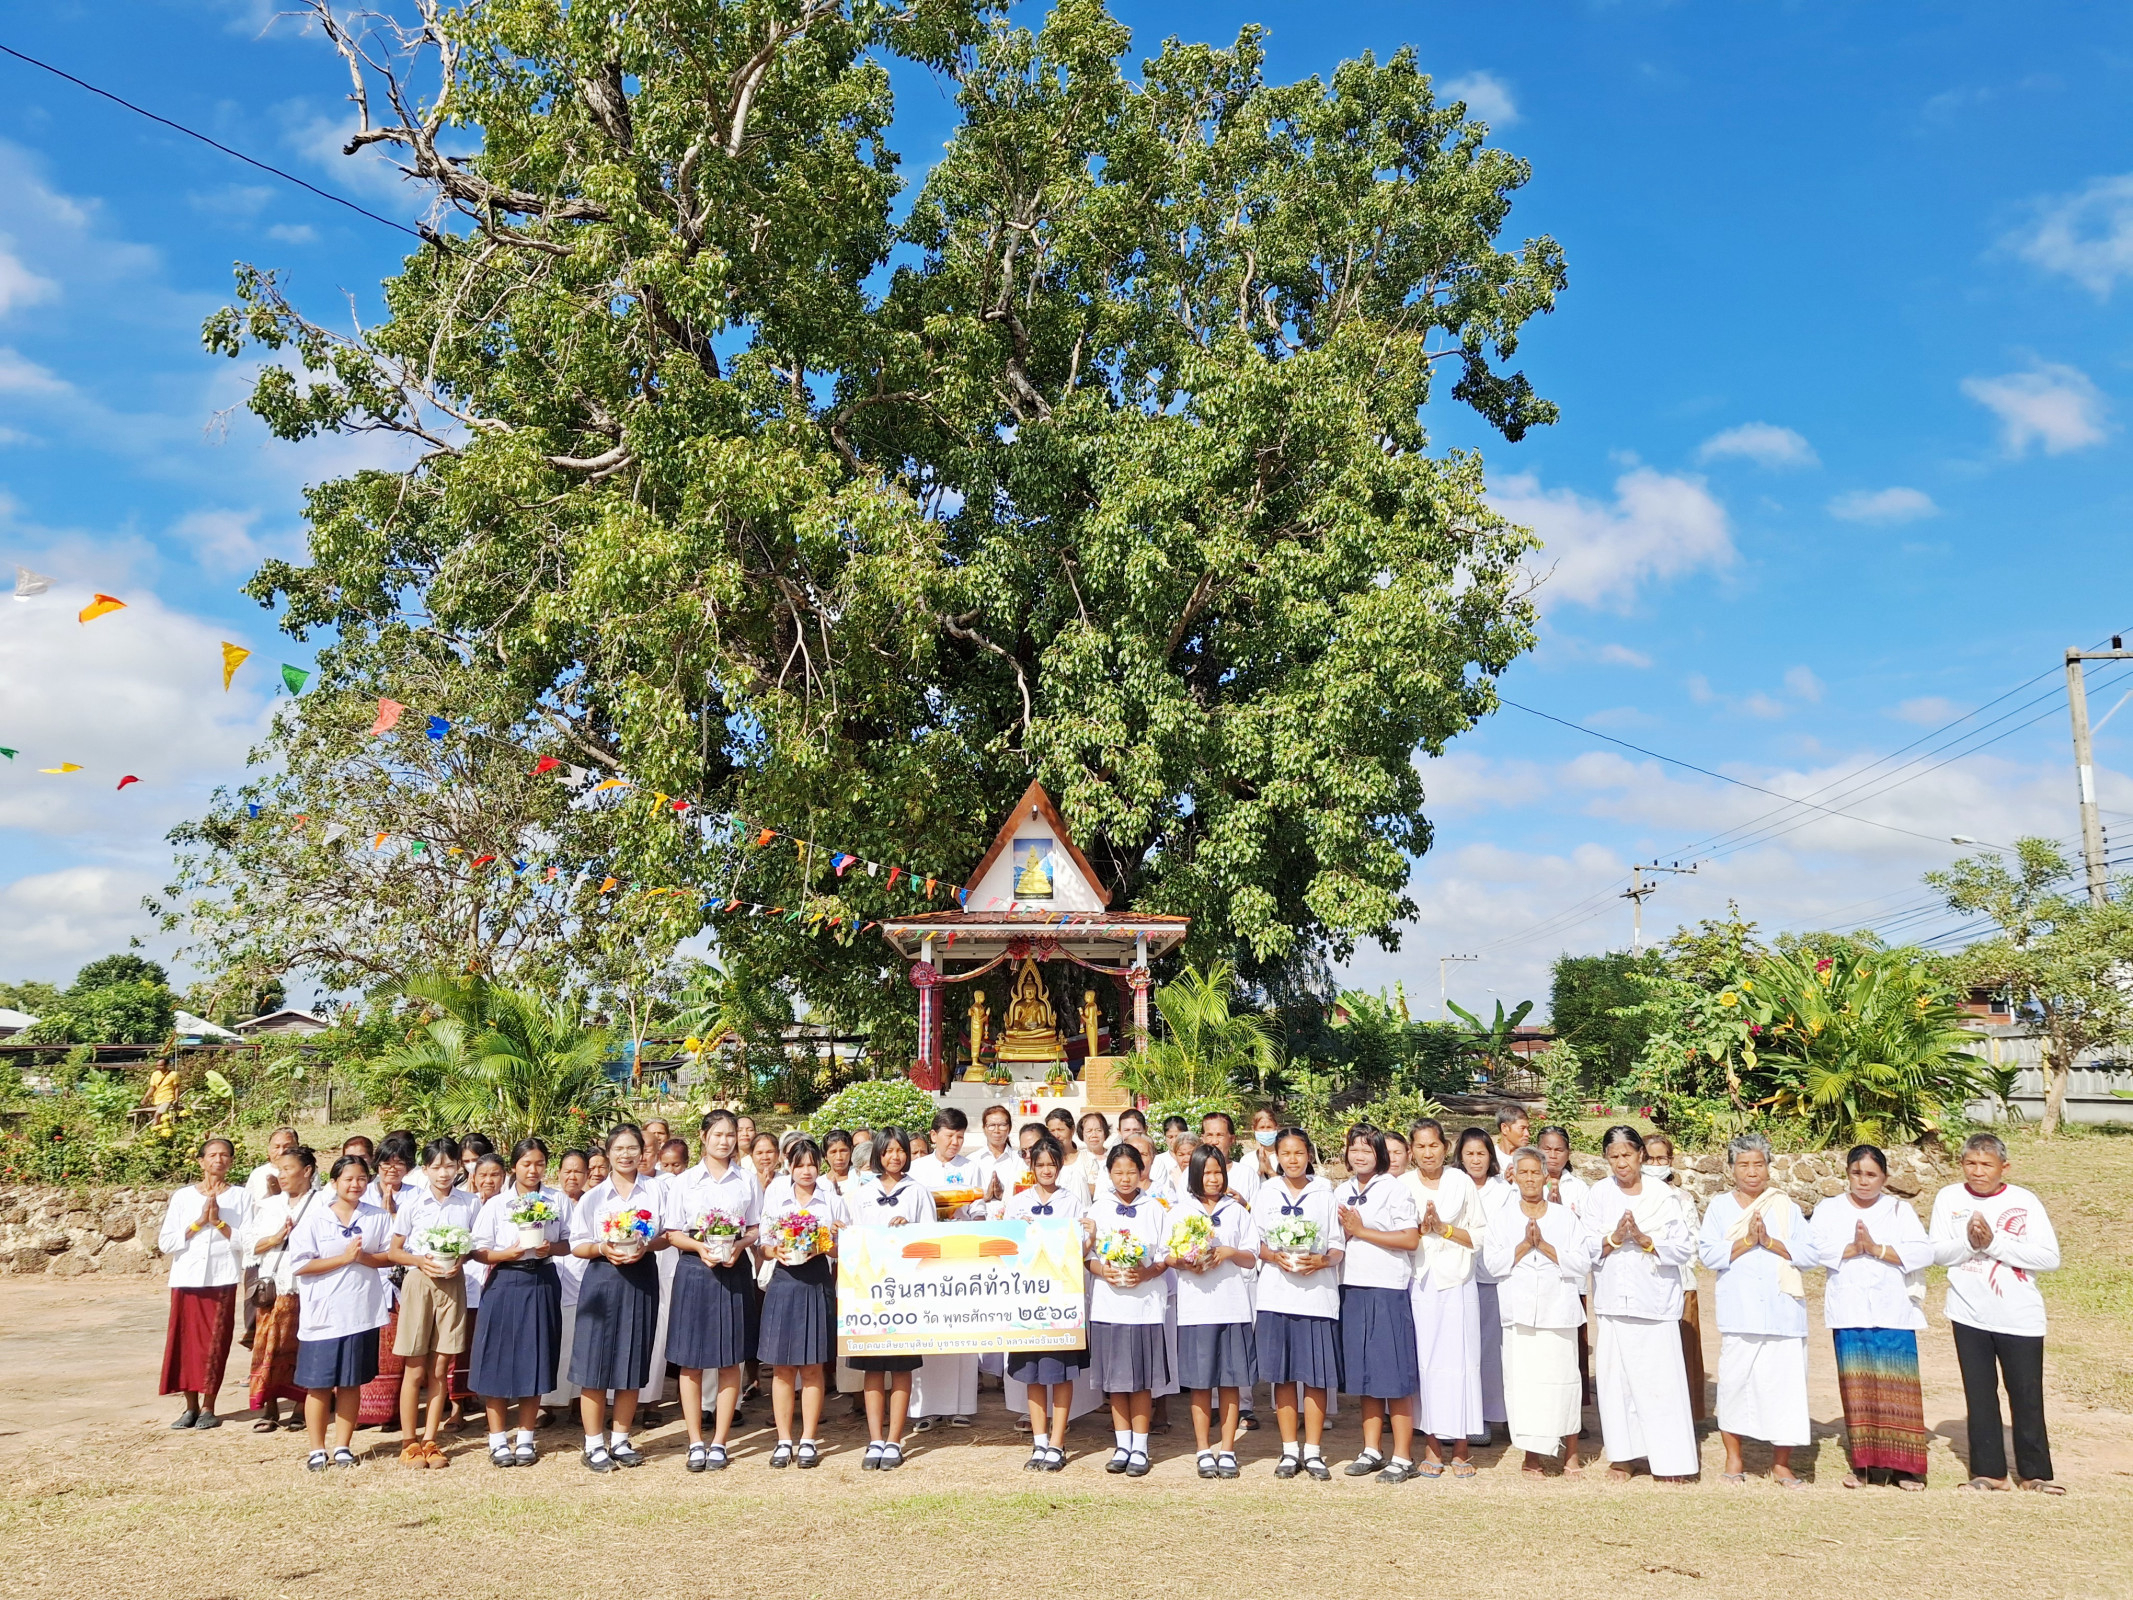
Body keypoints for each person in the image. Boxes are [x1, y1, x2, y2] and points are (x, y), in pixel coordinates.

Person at [1931, 1132, 2064, 1494]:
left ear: (2004, 1167)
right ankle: (1990, 1473)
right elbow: (1938, 1252)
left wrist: (1994, 1243)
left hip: (2018, 1315)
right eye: (1970, 1163)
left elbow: (2050, 1258)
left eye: (1986, 1165)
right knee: (1979, 1393)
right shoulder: (1949, 1198)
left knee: (2025, 1394)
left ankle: (2035, 1474)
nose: (1977, 1172)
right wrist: (1968, 1243)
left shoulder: (2025, 1201)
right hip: (1968, 1313)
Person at [1809, 1143, 1935, 1490]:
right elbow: (1810, 1248)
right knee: (1858, 1388)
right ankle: (1863, 1465)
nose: (1863, 1181)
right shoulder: (1829, 1209)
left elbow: (1924, 1251)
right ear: (1847, 1173)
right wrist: (1850, 1249)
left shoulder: (1898, 1210)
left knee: (1898, 1389)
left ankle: (1905, 1468)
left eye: (1871, 1174)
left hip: (1894, 1311)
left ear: (1884, 1177)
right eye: (1856, 1173)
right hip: (1849, 1311)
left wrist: (1878, 1249)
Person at [1579, 1124, 1698, 1483]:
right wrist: (1613, 1238)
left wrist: (1646, 1240)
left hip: (1654, 1302)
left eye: (1627, 1155)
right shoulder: (1598, 1194)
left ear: (1641, 1155)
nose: (1621, 1163)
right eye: (1613, 1157)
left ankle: (1670, 1461)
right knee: (1618, 1385)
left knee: (1661, 1384)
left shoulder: (1663, 1195)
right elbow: (1583, 1247)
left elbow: (1683, 1248)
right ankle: (1624, 1457)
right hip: (1615, 1302)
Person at [1697, 1132, 1809, 1487]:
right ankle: (1734, 1459)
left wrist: (1772, 1242)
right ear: (1731, 1169)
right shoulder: (1720, 1208)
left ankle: (1782, 1465)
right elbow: (1708, 1254)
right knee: (1734, 1387)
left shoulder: (1786, 1207)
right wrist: (1747, 1242)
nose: (1751, 1172)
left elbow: (1810, 1254)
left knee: (1786, 1390)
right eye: (1743, 1164)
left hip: (1783, 1313)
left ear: (1768, 1168)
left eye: (1758, 1164)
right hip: (1740, 1313)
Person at [568, 1123, 672, 1472]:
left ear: (643, 1152)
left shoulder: (656, 1190)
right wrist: (602, 1248)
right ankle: (594, 1444)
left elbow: (668, 1234)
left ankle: (622, 1439)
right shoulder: (593, 1197)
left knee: (632, 1357)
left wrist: (646, 1245)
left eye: (633, 1149)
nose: (626, 1155)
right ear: (608, 1154)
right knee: (594, 1360)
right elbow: (576, 1244)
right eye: (619, 1149)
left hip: (641, 1277)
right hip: (602, 1279)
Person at [1485, 1146, 1593, 1477]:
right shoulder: (1502, 1218)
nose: (1530, 1178)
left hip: (1558, 1312)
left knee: (1564, 1382)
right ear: (1513, 1176)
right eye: (1524, 1172)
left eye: (1536, 1172)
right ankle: (1531, 1456)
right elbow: (1491, 1265)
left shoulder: (1565, 1218)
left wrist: (1545, 1247)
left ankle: (1570, 1454)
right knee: (1526, 1386)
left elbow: (1583, 1263)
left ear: (1547, 1176)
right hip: (1519, 1315)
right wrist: (1522, 1247)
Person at [665, 1109, 762, 1472]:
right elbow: (672, 1232)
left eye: (731, 1134)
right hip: (694, 1271)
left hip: (734, 1270)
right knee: (691, 1361)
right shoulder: (684, 1182)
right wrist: (699, 1248)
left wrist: (739, 1246)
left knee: (729, 1358)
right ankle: (694, 1441)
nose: (725, 1141)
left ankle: (720, 1441)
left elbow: (755, 1228)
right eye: (718, 1134)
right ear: (703, 1136)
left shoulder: (747, 1180)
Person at [469, 1138, 570, 1467]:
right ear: (514, 1166)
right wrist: (507, 1253)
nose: (533, 1169)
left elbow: (569, 1242)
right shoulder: (497, 1204)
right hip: (505, 1280)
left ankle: (526, 1436)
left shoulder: (556, 1200)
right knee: (497, 1357)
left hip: (542, 1279)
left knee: (536, 1356)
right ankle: (498, 1439)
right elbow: (478, 1250)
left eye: (540, 1163)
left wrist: (549, 1249)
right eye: (527, 1163)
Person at [288, 1154, 393, 1470]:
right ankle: (317, 1448)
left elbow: (390, 1255)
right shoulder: (315, 1219)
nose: (355, 1184)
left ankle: (343, 1446)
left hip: (361, 1310)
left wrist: (366, 1260)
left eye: (361, 1178)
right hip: (324, 1314)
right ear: (334, 1183)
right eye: (348, 1179)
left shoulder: (377, 1216)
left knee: (351, 1381)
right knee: (319, 1384)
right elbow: (301, 1265)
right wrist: (345, 1259)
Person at [1251, 1128, 1343, 1480]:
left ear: (1308, 1155)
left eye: (1299, 1153)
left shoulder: (1324, 1192)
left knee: (1316, 1376)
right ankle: (1289, 1451)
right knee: (1284, 1376)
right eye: (1286, 1153)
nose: (1292, 1159)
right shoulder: (1267, 1192)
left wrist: (1320, 1261)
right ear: (1277, 1156)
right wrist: (1275, 1257)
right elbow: (1255, 1242)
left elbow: (1336, 1246)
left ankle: (1314, 1452)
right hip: (1277, 1294)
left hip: (1316, 1296)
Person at [386, 1137, 481, 1468]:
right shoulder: (413, 1203)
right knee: (414, 1365)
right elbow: (394, 1250)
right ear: (424, 1169)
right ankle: (408, 1441)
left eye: (450, 1165)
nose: (443, 1173)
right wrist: (418, 1261)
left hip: (453, 1285)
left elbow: (473, 1246)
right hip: (418, 1284)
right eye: (436, 1166)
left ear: (459, 1167)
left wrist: (462, 1259)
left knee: (441, 1365)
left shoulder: (470, 1203)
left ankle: (431, 1440)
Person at [1333, 1126, 1421, 1482]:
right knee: (1365, 1375)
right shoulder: (1341, 1190)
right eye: (1353, 1148)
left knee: (1393, 1374)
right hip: (1351, 1287)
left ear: (1381, 1154)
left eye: (1367, 1149)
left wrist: (1361, 1229)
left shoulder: (1395, 1190)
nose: (1359, 1155)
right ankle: (1371, 1449)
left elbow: (1410, 1239)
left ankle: (1403, 1456)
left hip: (1386, 1289)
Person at [757, 1137, 846, 1468]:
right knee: (782, 1367)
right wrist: (774, 1251)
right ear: (789, 1166)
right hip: (784, 1282)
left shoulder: (831, 1200)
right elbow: (764, 1244)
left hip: (816, 1281)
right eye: (800, 1165)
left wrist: (826, 1243)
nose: (807, 1171)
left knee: (812, 1366)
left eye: (812, 1164)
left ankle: (808, 1438)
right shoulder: (777, 1197)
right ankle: (783, 1440)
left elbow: (843, 1247)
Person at [1401, 1117, 1483, 1475]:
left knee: (1462, 1362)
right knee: (1427, 1363)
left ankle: (1461, 1448)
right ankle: (1432, 1446)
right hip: (1419, 1282)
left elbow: (1479, 1236)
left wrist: (1443, 1228)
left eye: (1433, 1145)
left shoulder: (1461, 1182)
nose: (1427, 1152)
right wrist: (1420, 1230)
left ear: (1445, 1148)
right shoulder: (1402, 1185)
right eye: (1420, 1146)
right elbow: (1398, 1237)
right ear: (1410, 1151)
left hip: (1458, 1283)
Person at [1085, 1142, 1172, 1478]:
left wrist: (1146, 1272)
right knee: (1116, 1380)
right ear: (1109, 1174)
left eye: (1131, 1172)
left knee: (1140, 1380)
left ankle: (1141, 1446)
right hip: (1109, 1306)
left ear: (1142, 1172)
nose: (1125, 1178)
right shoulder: (1097, 1209)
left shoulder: (1155, 1208)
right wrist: (1102, 1271)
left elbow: (1165, 1256)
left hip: (1144, 1307)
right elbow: (1086, 1254)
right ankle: (1121, 1444)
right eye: (1118, 1172)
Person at [157, 1136, 253, 1431]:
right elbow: (166, 1242)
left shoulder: (240, 1197)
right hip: (187, 1277)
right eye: (212, 1155)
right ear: (201, 1161)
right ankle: (190, 1407)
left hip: (221, 1278)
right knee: (185, 1343)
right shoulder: (183, 1197)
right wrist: (199, 1222)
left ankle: (209, 1407)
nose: (218, 1160)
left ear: (231, 1162)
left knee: (215, 1343)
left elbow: (247, 1241)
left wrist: (220, 1223)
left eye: (225, 1155)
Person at [1174, 1144, 1258, 1480]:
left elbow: (1252, 1256)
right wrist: (1187, 1262)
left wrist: (1229, 1251)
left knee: (1230, 1381)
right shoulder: (1180, 1211)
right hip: (1196, 1308)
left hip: (1232, 1306)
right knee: (1200, 1383)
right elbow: (1168, 1256)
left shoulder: (1237, 1211)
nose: (1213, 1178)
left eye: (1218, 1172)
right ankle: (1202, 1449)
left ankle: (1227, 1449)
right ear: (1194, 1174)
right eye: (1206, 1172)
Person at [1003, 1133, 1086, 1471]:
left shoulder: (1072, 1202)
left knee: (1060, 1372)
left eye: (1052, 1164)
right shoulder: (1018, 1203)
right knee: (1032, 1373)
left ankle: (1058, 1442)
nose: (1047, 1170)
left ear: (1061, 1165)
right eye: (1040, 1165)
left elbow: (1082, 1244)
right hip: (1027, 1300)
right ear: (1030, 1166)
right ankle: (1038, 1442)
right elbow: (1006, 1249)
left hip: (1061, 1299)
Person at [849, 1128, 931, 1470]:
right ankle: (875, 1438)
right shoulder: (862, 1193)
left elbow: (930, 1238)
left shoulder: (917, 1191)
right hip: (870, 1291)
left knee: (900, 1368)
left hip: (904, 1292)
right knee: (873, 1367)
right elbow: (853, 1237)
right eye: (888, 1151)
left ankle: (895, 1439)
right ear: (878, 1155)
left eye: (900, 1151)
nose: (895, 1157)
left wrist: (907, 1228)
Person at [911, 1109, 984, 1428]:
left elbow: (980, 1210)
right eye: (949, 1136)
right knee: (928, 1326)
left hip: (962, 1257)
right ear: (933, 1135)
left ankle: (961, 1406)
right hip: (927, 1260)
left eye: (960, 1137)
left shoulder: (972, 1167)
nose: (955, 1142)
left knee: (961, 1326)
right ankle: (925, 1408)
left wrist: (967, 1220)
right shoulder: (917, 1169)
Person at [246, 1142, 321, 1431]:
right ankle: (270, 1407)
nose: (282, 1175)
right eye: (280, 1170)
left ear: (307, 1171)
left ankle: (302, 1407)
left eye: (288, 1169)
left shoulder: (323, 1202)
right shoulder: (269, 1205)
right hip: (275, 1287)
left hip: (310, 1286)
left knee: (304, 1347)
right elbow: (252, 1245)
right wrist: (277, 1238)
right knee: (269, 1347)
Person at [1645, 1130, 1707, 1423]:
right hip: (1645, 1286)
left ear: (1671, 1161)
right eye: (1650, 1158)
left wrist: (1668, 1255)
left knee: (1683, 1350)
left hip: (1681, 1285)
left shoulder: (1682, 1198)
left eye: (1662, 1158)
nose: (1656, 1163)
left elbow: (1692, 1243)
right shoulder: (1636, 1196)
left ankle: (1685, 1417)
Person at [1455, 1126, 1510, 1441]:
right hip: (1455, 1275)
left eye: (1481, 1153)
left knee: (1488, 1350)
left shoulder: (1503, 1191)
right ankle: (1459, 1414)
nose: (1475, 1160)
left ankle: (1486, 1416)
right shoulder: (1452, 1185)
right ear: (1460, 1157)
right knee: (1458, 1348)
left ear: (1491, 1156)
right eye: (1469, 1154)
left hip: (1489, 1277)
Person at [1535, 1124, 1594, 1405]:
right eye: (1546, 1149)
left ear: (1568, 1153)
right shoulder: (1526, 1182)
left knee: (1573, 1345)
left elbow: (1587, 1233)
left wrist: (1558, 1212)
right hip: (1536, 1279)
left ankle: (1575, 1409)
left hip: (1571, 1280)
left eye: (1559, 1150)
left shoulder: (1579, 1188)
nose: (1553, 1156)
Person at [541, 1148, 592, 1420]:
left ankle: (576, 1403)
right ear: (558, 1173)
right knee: (549, 1342)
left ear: (587, 1175)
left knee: (576, 1343)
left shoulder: (593, 1201)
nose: (572, 1176)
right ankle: (544, 1404)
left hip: (581, 1280)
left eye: (578, 1171)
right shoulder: (546, 1201)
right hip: (550, 1279)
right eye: (567, 1170)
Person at [241, 1127, 302, 1349]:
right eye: (276, 1146)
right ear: (268, 1150)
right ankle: (256, 1361)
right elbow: (249, 1213)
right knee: (256, 1303)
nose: (281, 1150)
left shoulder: (306, 1173)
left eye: (287, 1146)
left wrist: (278, 1191)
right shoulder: (258, 1174)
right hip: (260, 1248)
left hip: (289, 1251)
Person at [1493, 1104, 1531, 1172]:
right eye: (1522, 1128)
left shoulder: (1530, 1159)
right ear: (1504, 1128)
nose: (1527, 1134)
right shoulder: (1490, 1158)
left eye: (1528, 1129)